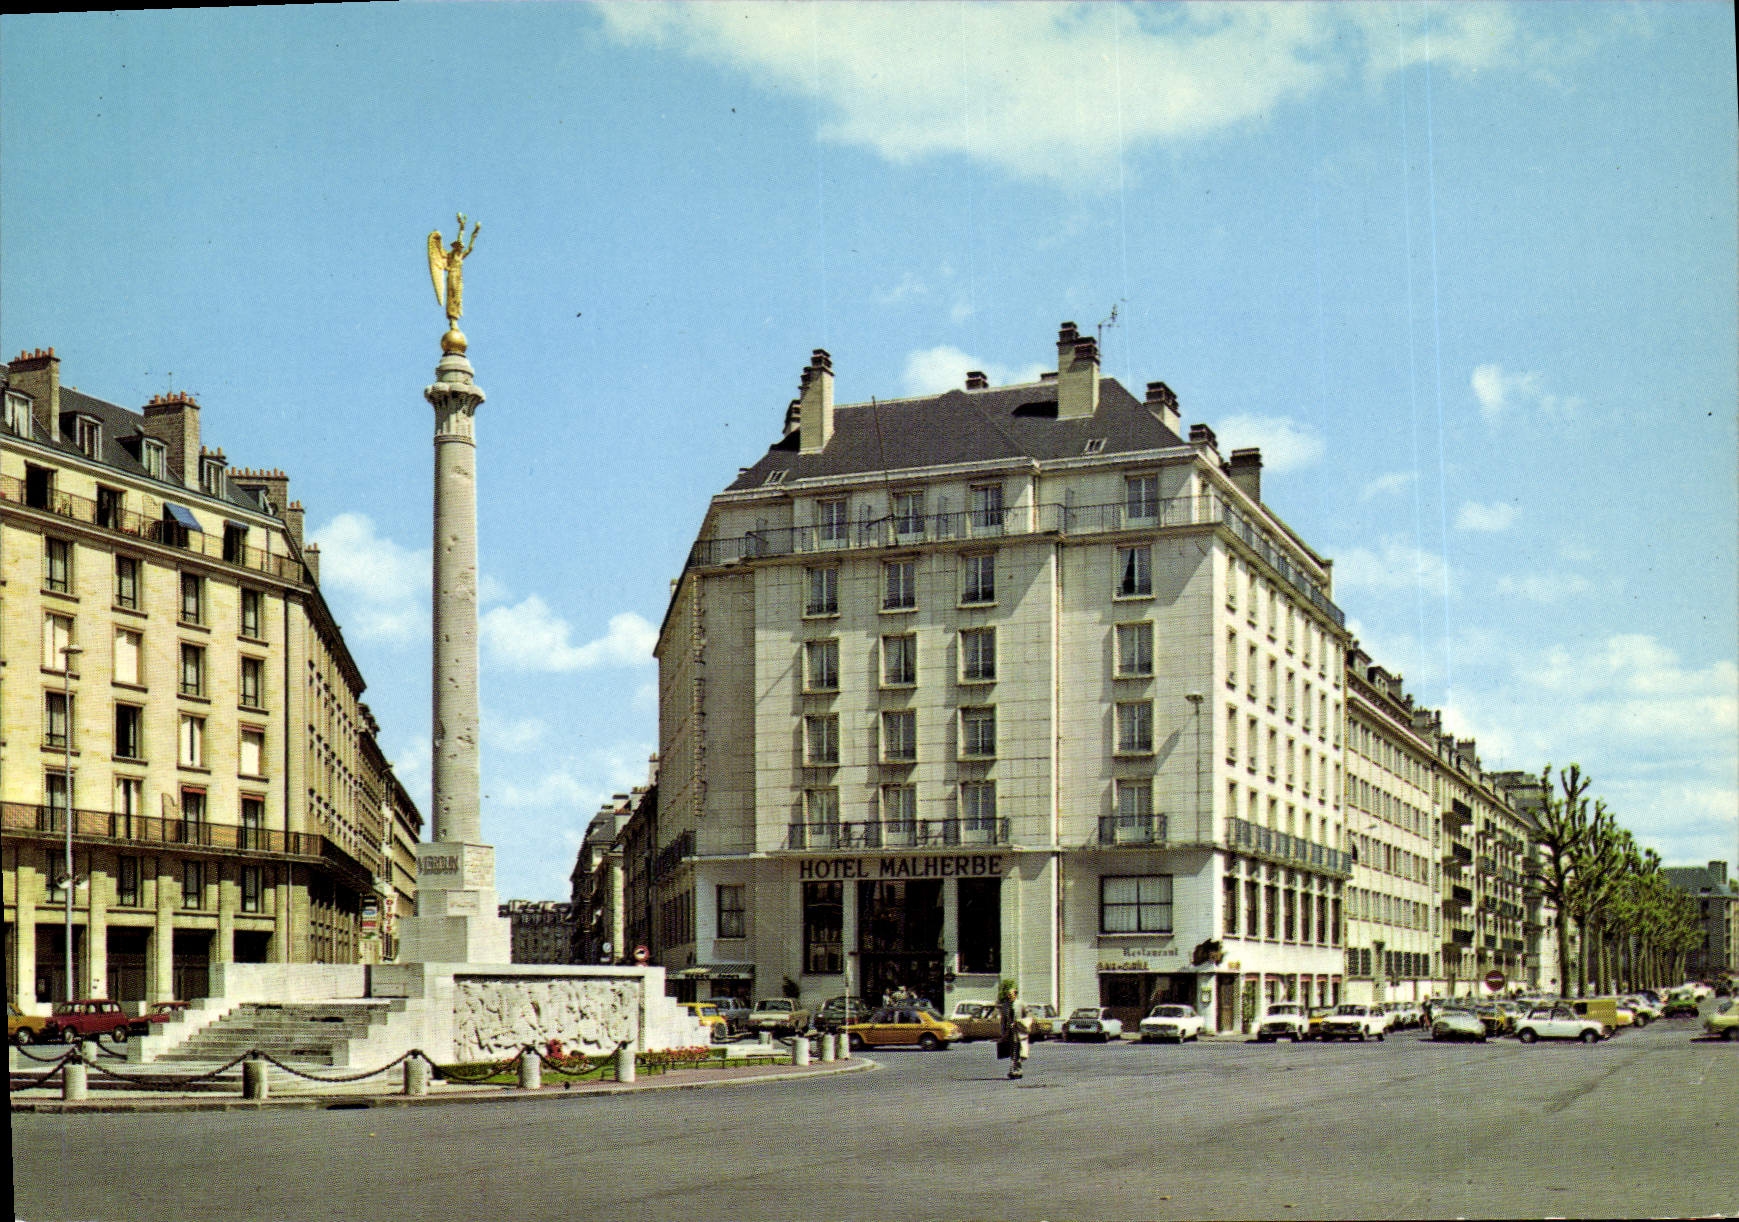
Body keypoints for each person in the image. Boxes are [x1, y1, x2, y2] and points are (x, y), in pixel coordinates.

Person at [997, 985, 1031, 1080]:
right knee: (1013, 1051)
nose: (1009, 996)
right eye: (1008, 994)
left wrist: (1018, 1022)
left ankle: (1015, 1070)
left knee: (1018, 1051)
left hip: (1019, 1032)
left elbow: (1028, 1018)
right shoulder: (1005, 1006)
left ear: (1015, 995)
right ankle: (1015, 1070)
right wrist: (1003, 1033)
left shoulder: (1022, 1004)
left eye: (1011, 994)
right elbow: (1003, 1021)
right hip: (1009, 1033)